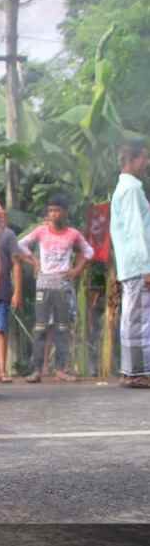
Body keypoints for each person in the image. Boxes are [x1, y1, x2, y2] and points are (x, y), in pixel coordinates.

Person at [17, 194, 94, 383]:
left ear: (65, 213)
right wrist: (34, 261)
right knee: (40, 328)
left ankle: (60, 369)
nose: (53, 214)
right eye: (51, 211)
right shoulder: (41, 231)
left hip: (63, 285)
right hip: (44, 284)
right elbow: (20, 245)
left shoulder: (73, 234)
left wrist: (76, 270)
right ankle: (36, 371)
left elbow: (89, 252)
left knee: (62, 328)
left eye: (57, 210)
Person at [109, 139, 150, 389]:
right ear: (132, 160)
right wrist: (146, 268)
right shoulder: (132, 188)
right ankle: (138, 371)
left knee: (132, 317)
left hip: (130, 265)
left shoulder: (124, 187)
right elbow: (137, 232)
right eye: (143, 158)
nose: (146, 163)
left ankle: (131, 370)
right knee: (140, 318)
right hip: (137, 266)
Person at [0, 211, 23, 383]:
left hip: (1, 290)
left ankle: (2, 370)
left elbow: (16, 263)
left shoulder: (8, 235)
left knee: (0, 329)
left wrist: (17, 292)